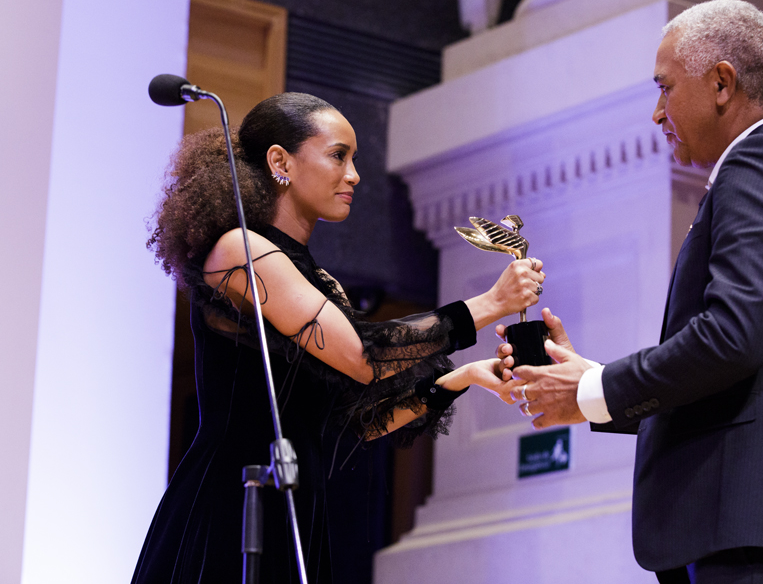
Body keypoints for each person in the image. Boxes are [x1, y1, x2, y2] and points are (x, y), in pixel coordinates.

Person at [502, 0, 763, 583]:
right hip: (761, 522)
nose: (656, 112)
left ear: (722, 82)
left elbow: (731, 340)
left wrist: (598, 387)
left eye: (665, 88)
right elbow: (745, 372)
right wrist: (586, 390)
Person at [131, 92, 539, 584]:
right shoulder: (239, 250)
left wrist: (465, 377)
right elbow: (361, 355)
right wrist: (489, 305)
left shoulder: (320, 283)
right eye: (338, 155)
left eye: (354, 159)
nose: (354, 174)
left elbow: (355, 422)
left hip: (296, 504)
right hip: (235, 501)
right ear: (280, 161)